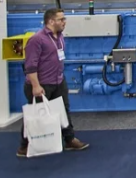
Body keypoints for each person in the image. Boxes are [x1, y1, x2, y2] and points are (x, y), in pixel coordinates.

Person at [17, 9, 89, 157]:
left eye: (64, 19)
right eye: (61, 19)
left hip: (58, 81)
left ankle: (69, 139)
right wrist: (36, 86)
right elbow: (30, 65)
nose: (64, 22)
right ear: (51, 21)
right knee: (36, 114)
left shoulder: (60, 37)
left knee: (64, 111)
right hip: (41, 84)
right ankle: (25, 146)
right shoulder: (37, 40)